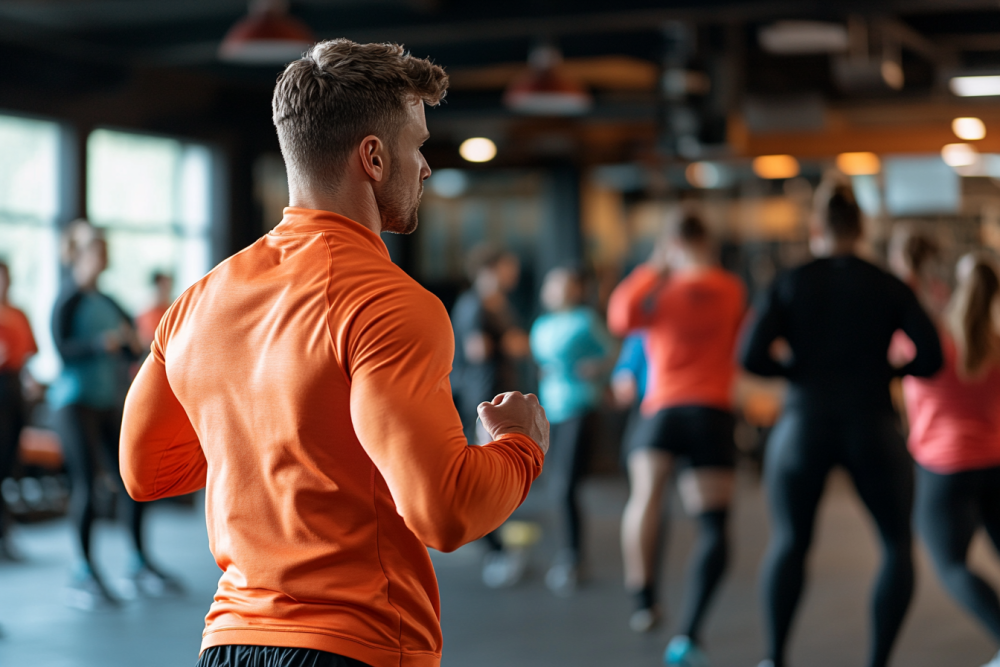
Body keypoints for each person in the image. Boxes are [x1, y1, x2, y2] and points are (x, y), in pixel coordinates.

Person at [120, 40, 549, 667]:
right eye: (417, 146)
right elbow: (445, 511)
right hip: (355, 646)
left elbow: (144, 469)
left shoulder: (198, 300)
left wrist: (278, 444)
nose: (425, 167)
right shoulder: (390, 303)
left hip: (229, 643)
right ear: (373, 157)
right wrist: (521, 444)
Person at [739, 183, 943, 667]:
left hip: (803, 424)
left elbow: (749, 356)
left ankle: (774, 657)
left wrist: (797, 373)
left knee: (790, 543)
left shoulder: (791, 281)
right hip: (870, 422)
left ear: (816, 230)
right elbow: (931, 357)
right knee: (896, 545)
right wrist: (888, 371)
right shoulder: (887, 284)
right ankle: (878, 661)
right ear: (863, 229)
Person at [607, 214, 746, 666]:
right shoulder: (730, 289)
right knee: (712, 524)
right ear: (708, 241)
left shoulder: (659, 290)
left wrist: (654, 267)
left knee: (646, 498)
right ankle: (689, 632)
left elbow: (619, 317)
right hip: (711, 411)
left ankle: (643, 598)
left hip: (662, 409)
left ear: (671, 243)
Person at [49, 223, 180, 610]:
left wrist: (133, 345)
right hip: (74, 404)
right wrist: (99, 343)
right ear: (79, 254)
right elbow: (62, 349)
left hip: (109, 402)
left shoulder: (109, 302)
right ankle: (83, 571)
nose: (103, 255)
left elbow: (132, 348)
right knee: (88, 486)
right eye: (96, 249)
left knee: (131, 481)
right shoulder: (67, 300)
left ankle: (139, 563)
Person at [903, 253, 1000, 667]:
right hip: (994, 463)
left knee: (952, 565)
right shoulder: (995, 345)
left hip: (944, 469)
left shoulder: (928, 343)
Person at [450, 244, 534, 588]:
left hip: (498, 398)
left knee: (496, 477)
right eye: (508, 266)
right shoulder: (475, 306)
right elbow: (478, 351)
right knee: (483, 481)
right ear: (491, 268)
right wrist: (507, 343)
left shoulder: (498, 305)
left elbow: (519, 345)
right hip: (482, 400)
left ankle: (500, 547)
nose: (513, 273)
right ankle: (495, 549)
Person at [529, 266, 613, 596]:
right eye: (553, 283)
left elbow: (611, 352)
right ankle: (570, 556)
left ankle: (572, 559)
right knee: (557, 485)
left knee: (565, 485)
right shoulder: (542, 324)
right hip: (551, 412)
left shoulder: (586, 320)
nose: (556, 289)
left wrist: (597, 369)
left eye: (563, 284)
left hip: (581, 406)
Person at [0, 261, 38, 559]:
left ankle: (6, 532)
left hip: (13, 390)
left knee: (9, 463)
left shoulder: (19, 314)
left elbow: (26, 356)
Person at [135, 272, 174, 352]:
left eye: (167, 286)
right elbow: (143, 342)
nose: (165, 290)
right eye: (163, 286)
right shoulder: (145, 314)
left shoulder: (175, 312)